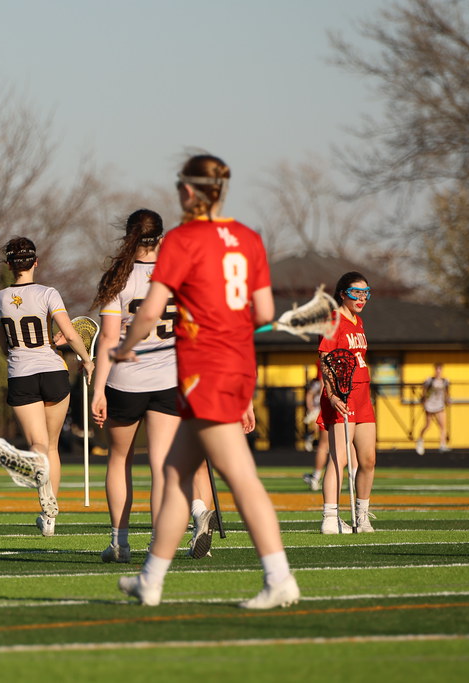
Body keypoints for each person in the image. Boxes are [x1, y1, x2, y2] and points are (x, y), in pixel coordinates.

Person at [115, 154, 299, 610]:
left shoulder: (183, 239)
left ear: (193, 191)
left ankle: (279, 577)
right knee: (177, 473)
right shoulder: (248, 238)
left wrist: (124, 347)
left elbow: (152, 309)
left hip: (205, 371)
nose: (177, 193)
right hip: (235, 365)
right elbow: (263, 313)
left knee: (240, 477)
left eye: (181, 186)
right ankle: (150, 580)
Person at [90, 209, 181, 563]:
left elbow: (109, 338)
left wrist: (98, 390)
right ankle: (159, 546)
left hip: (125, 381)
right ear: (161, 237)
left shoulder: (119, 276)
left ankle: (119, 543)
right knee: (160, 464)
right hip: (168, 380)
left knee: (119, 459)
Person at [0, 237, 95, 537]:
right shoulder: (48, 293)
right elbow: (70, 334)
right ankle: (49, 516)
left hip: (21, 374)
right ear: (35, 262)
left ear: (10, 265)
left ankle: (41, 490)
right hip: (53, 371)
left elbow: (4, 345)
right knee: (52, 446)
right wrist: (86, 360)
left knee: (37, 446)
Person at [317, 271, 378, 534]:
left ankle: (362, 516)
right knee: (338, 458)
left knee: (368, 460)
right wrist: (332, 395)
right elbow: (325, 358)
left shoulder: (358, 321)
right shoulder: (334, 319)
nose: (361, 298)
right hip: (343, 395)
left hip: (364, 396)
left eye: (365, 293)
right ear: (343, 294)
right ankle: (330, 517)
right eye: (356, 293)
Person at [301, 375, 328, 491]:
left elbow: (310, 394)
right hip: (329, 412)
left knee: (326, 446)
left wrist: (312, 409)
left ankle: (316, 477)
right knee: (328, 446)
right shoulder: (322, 380)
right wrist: (312, 409)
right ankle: (316, 477)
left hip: (328, 412)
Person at [417, 363, 451, 454]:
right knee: (428, 425)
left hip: (440, 405)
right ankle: (420, 440)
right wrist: (424, 401)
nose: (438, 372)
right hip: (430, 405)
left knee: (443, 426)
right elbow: (424, 391)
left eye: (440, 370)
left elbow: (447, 392)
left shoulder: (445, 381)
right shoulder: (430, 380)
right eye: (437, 369)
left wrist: (447, 400)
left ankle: (442, 444)